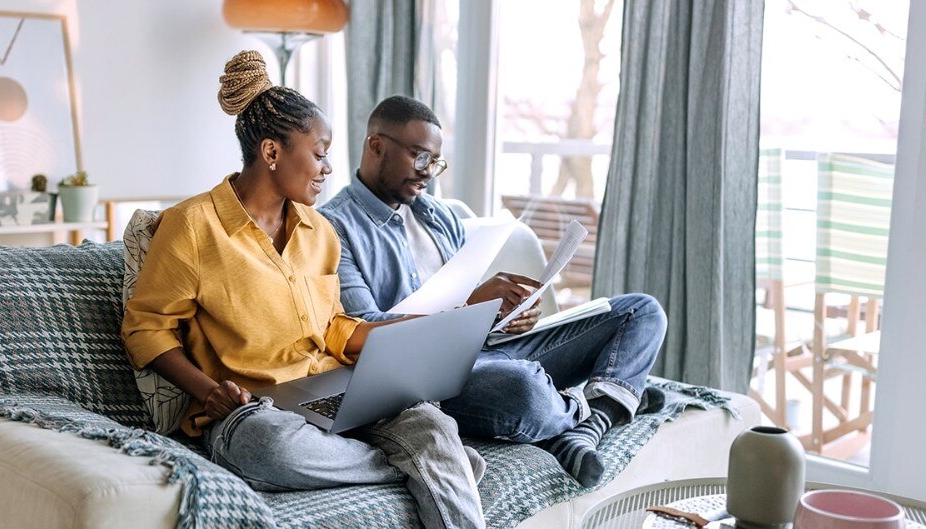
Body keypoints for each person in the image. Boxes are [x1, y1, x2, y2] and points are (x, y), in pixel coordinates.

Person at [121, 53, 485, 529]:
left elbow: (332, 325)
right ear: (272, 153)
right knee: (269, 448)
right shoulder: (193, 225)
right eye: (319, 153)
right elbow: (146, 328)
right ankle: (431, 467)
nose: (329, 168)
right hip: (256, 411)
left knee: (432, 423)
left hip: (335, 388)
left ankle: (432, 458)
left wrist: (402, 337)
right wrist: (210, 393)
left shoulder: (320, 231)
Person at [317, 95, 666, 488]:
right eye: (419, 157)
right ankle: (608, 402)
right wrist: (468, 307)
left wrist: (504, 316)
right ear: (376, 145)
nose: (428, 172)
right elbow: (363, 332)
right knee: (524, 389)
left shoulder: (440, 215)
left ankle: (584, 425)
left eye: (435, 161)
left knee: (641, 311)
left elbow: (471, 308)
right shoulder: (332, 228)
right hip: (425, 380)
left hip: (487, 352)